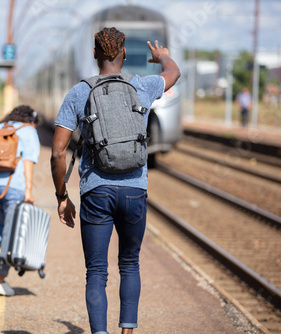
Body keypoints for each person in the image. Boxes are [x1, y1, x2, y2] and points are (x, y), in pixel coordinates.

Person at [50, 27, 180, 334]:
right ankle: (127, 331)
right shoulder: (143, 86)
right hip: (135, 190)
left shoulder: (80, 92)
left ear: (95, 54)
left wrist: (62, 197)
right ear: (123, 53)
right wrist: (162, 57)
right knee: (129, 264)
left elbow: (57, 152)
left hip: (96, 191)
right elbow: (174, 73)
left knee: (96, 270)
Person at [0, 105, 40, 296]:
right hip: (13, 186)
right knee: (12, 231)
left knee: (4, 224)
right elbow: (28, 162)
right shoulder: (28, 131)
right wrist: (28, 191)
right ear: (32, 119)